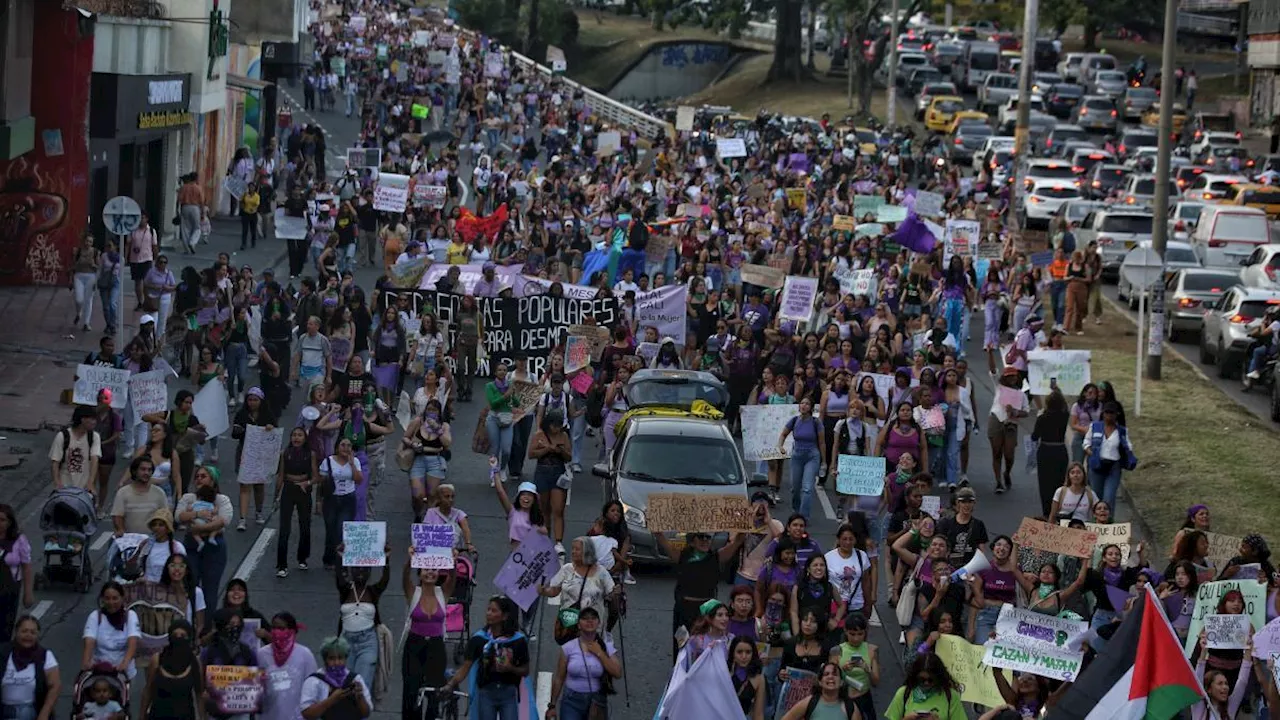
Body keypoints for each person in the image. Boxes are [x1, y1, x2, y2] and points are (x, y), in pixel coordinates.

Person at [444, 596, 532, 719]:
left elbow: (525, 670)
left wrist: (510, 668)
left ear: (505, 616)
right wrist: (451, 684)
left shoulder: (518, 641)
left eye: (494, 611)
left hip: (508, 694)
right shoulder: (478, 639)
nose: (488, 613)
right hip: (486, 694)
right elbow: (465, 667)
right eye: (488, 609)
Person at [400, 557, 454, 720]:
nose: (430, 572)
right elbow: (405, 576)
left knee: (434, 692)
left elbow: (453, 576)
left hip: (436, 647)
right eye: (425, 569)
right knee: (411, 691)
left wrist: (452, 559)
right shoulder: (413, 592)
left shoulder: (442, 592)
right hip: (414, 645)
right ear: (420, 572)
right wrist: (410, 560)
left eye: (434, 569)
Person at [544, 607, 622, 720]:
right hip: (571, 701)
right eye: (585, 618)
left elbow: (617, 673)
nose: (589, 621)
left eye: (593, 618)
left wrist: (599, 652)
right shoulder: (568, 647)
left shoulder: (606, 647)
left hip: (596, 701)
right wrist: (552, 705)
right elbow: (559, 678)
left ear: (598, 623)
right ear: (579, 625)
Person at [538, 537, 616, 643]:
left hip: (592, 626)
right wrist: (544, 591)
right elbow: (554, 591)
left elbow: (611, 594)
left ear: (587, 551)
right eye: (572, 548)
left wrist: (616, 593)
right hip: (569, 624)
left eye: (577, 549)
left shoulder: (601, 572)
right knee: (570, 654)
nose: (573, 552)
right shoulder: (566, 569)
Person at [175, 465, 233, 604]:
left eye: (203, 476)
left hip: (214, 547)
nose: (199, 479)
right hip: (191, 545)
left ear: (213, 481)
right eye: (197, 477)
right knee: (190, 585)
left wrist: (199, 528)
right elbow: (178, 516)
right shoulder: (188, 498)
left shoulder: (222, 499)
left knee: (210, 589)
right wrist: (197, 514)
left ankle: (206, 623)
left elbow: (223, 521)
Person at [334, 554, 390, 694]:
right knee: (344, 686)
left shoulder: (373, 591)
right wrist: (340, 557)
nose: (360, 572)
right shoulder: (345, 589)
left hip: (368, 643)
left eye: (365, 569)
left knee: (361, 687)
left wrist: (386, 559)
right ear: (351, 570)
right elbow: (339, 574)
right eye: (356, 568)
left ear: (370, 572)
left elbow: (385, 580)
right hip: (345, 643)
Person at [528, 410, 572, 558]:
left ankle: (558, 541)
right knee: (544, 509)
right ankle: (545, 539)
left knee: (558, 509)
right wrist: (547, 449)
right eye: (554, 425)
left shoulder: (564, 436)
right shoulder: (539, 436)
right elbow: (531, 454)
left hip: (558, 473)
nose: (557, 429)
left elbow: (569, 456)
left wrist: (560, 451)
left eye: (559, 425)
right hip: (542, 472)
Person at [256, 612, 317, 720]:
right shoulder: (261, 654)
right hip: (268, 715)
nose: (276, 632)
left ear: (292, 631)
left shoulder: (305, 654)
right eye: (273, 628)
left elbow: (312, 687)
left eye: (281, 628)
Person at [275, 427, 317, 577]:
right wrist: (276, 495)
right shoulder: (284, 454)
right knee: (284, 529)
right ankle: (281, 565)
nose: (296, 438)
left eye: (300, 435)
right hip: (288, 490)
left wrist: (307, 483)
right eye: (294, 435)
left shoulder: (310, 454)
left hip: (304, 491)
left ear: (305, 438)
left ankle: (303, 558)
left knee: (305, 526)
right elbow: (280, 475)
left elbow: (316, 477)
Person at [299, 636, 373, 720]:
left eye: (340, 658)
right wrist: (332, 699)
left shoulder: (355, 679)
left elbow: (366, 713)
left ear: (345, 659)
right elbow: (307, 714)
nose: (336, 663)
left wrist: (360, 697)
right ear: (325, 659)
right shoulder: (314, 681)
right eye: (331, 658)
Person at [1082, 401, 1137, 513]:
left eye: (1112, 413)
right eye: (1107, 412)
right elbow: (1086, 442)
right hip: (1097, 465)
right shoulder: (1095, 426)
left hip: (1113, 467)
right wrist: (1090, 451)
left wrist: (1128, 454)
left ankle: (1109, 526)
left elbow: (1128, 447)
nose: (1109, 415)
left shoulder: (1122, 431)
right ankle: (1096, 526)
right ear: (1103, 413)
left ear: (1116, 414)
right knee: (1096, 498)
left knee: (1109, 498)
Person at [778, 397, 827, 520]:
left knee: (807, 488)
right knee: (795, 487)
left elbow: (822, 443)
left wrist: (824, 461)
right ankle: (796, 510)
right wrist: (780, 446)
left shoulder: (816, 422)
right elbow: (783, 434)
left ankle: (803, 516)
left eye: (807, 403)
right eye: (802, 403)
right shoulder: (794, 420)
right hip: (797, 456)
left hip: (812, 456)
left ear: (810, 407)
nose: (804, 405)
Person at [142, 619, 201, 720]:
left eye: (183, 636)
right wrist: (141, 716)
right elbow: (148, 690)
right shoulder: (157, 659)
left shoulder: (194, 662)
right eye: (175, 635)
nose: (178, 638)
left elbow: (199, 693)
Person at [320, 437, 364, 570]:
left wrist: (351, 464)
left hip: (348, 499)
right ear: (337, 447)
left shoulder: (355, 461)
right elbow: (322, 483)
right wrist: (318, 501)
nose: (346, 448)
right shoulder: (328, 461)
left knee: (341, 529)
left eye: (349, 446)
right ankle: (328, 558)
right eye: (343, 445)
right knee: (331, 530)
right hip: (331, 499)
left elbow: (359, 480)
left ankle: (339, 560)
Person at [81, 582, 140, 679]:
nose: (111, 602)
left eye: (115, 598)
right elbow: (89, 641)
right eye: (107, 598)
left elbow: (133, 642)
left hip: (123, 671)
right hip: (99, 670)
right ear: (102, 599)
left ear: (122, 598)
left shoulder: (130, 616)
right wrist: (86, 662)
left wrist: (124, 664)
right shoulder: (95, 616)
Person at [884, 653, 965, 720]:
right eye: (922, 680)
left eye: (931, 680)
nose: (926, 683)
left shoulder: (951, 696)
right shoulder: (904, 693)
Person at [778, 662, 862, 720]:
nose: (830, 677)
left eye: (835, 674)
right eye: (826, 674)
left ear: (841, 682)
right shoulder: (809, 702)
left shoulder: (850, 707)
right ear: (820, 682)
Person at [0, 505, 34, 641]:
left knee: (5, 628)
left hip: (9, 591)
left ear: (9, 522)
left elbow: (26, 567)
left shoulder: (19, 540)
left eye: (2, 520)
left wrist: (28, 593)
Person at [112, 457, 169, 536]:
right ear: (134, 471)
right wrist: (122, 532)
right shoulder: (123, 493)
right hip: (130, 540)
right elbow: (117, 516)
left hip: (152, 540)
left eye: (149, 470)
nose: (146, 473)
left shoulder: (159, 493)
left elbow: (165, 516)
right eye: (143, 469)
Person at [484, 362, 521, 485]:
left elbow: (516, 403)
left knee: (506, 450)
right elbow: (493, 403)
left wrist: (513, 394)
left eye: (504, 370)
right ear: (495, 372)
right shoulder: (490, 386)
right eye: (499, 370)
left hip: (507, 419)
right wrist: (506, 395)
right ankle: (494, 474)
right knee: (494, 449)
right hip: (493, 418)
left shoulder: (510, 385)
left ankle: (503, 468)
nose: (502, 372)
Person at [50, 405, 101, 491]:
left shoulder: (94, 437)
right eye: (92, 419)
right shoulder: (62, 436)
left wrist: (90, 482)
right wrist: (57, 482)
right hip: (64, 487)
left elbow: (94, 459)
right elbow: (55, 462)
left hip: (83, 489)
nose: (94, 422)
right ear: (82, 419)